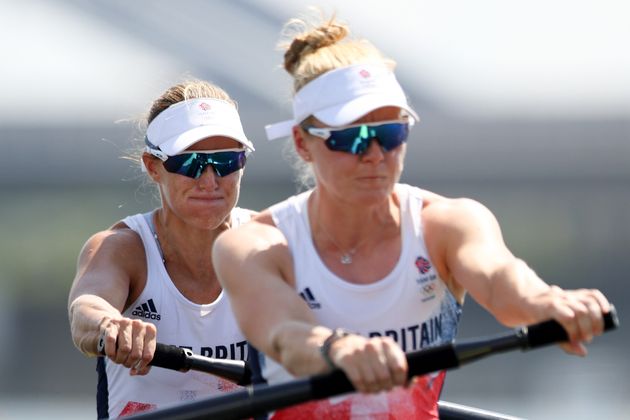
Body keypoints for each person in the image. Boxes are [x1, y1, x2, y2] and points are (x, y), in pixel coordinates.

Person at [212, 15, 611, 419]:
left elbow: (499, 278)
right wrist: (339, 349)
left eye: (390, 134)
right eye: (351, 137)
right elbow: (286, 337)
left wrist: (545, 301)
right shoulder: (253, 246)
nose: (375, 155)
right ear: (302, 142)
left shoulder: (447, 224)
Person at [68, 79, 256, 418]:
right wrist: (111, 326)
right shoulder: (123, 248)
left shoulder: (268, 243)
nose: (210, 180)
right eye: (191, 163)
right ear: (154, 166)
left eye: (227, 161)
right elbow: (86, 310)